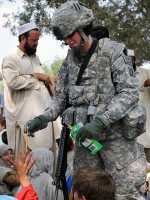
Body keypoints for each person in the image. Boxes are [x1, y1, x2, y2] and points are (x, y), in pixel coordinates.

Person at [24, 1, 147, 199]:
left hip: (117, 142)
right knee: (85, 193)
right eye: (64, 38)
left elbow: (129, 92)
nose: (67, 41)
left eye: (70, 35)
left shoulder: (112, 52)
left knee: (125, 193)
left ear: (83, 29)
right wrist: (44, 117)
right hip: (86, 142)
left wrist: (102, 121)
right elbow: (61, 98)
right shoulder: (69, 60)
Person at [1, 21, 59, 159]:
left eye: (38, 40)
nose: (36, 43)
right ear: (23, 38)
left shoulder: (35, 57)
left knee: (48, 160)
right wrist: (36, 76)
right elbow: (13, 82)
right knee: (29, 162)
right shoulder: (11, 58)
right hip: (24, 121)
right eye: (33, 40)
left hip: (44, 118)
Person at [127, 49, 150, 163]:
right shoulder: (120, 75)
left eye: (129, 59)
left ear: (134, 59)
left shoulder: (145, 73)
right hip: (131, 128)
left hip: (147, 124)